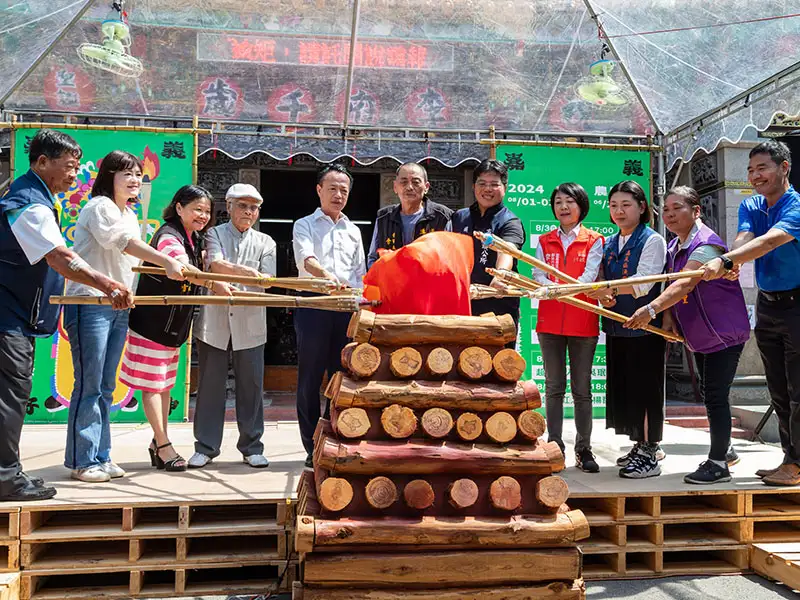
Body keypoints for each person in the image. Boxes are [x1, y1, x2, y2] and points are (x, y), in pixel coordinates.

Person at [0, 130, 133, 501]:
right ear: (42, 162)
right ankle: (6, 477)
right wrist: (106, 284)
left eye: (77, 167)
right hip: (7, 316)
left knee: (12, 394)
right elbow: (59, 258)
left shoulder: (36, 198)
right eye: (69, 167)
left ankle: (10, 472)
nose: (75, 175)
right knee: (11, 396)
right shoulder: (30, 203)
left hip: (15, 315)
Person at [63, 150, 187, 483]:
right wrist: (167, 261)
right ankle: (82, 460)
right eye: (126, 174)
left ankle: (101, 456)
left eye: (137, 175)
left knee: (105, 385)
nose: (134, 180)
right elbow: (125, 244)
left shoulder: (128, 213)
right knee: (88, 385)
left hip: (118, 305)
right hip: (90, 303)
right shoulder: (99, 207)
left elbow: (131, 252)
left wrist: (182, 269)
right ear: (109, 177)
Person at [625, 186, 750, 484]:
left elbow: (683, 284)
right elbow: (671, 282)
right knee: (711, 394)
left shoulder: (707, 245)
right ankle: (726, 450)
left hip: (723, 333)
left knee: (716, 396)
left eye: (676, 208)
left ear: (696, 211)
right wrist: (668, 318)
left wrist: (651, 310)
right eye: (665, 210)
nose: (668, 215)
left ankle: (719, 463)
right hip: (700, 334)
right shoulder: (674, 246)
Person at [701, 140, 800, 486]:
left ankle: (795, 464)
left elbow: (772, 240)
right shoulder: (752, 204)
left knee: (798, 388)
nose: (755, 176)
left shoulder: (796, 206)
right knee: (779, 388)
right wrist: (733, 258)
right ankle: (790, 459)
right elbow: (746, 237)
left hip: (798, 305)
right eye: (751, 169)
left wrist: (728, 260)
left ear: (784, 168)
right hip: (769, 304)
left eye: (763, 168)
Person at [121, 185, 217, 472]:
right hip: (153, 323)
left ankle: (158, 442)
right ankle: (164, 445)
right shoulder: (168, 235)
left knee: (164, 385)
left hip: (173, 325)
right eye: (197, 209)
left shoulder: (195, 237)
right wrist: (215, 283)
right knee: (153, 385)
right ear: (179, 208)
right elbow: (183, 268)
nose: (203, 215)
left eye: (207, 211)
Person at [189, 183, 276, 469]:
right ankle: (205, 446)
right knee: (210, 386)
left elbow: (268, 279)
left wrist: (244, 275)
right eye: (242, 205)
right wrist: (249, 274)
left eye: (253, 207)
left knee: (251, 387)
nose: (248, 212)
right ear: (228, 207)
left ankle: (252, 446)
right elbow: (214, 265)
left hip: (250, 321)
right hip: (213, 321)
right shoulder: (213, 234)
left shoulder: (266, 242)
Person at [588, 180, 668, 479]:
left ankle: (650, 450)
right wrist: (603, 293)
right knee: (626, 390)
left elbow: (644, 282)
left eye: (626, 205)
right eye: (613, 206)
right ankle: (640, 444)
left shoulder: (652, 240)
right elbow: (600, 279)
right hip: (617, 326)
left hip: (646, 328)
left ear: (642, 207)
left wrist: (608, 289)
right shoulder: (609, 242)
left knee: (646, 390)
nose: (619, 211)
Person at [293, 164, 366, 468]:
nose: (338, 195)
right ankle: (311, 444)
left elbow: (360, 272)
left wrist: (362, 303)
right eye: (332, 188)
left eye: (344, 190)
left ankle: (335, 437)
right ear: (319, 190)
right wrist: (328, 278)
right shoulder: (304, 224)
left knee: (341, 376)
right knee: (310, 377)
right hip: (314, 304)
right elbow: (306, 259)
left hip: (345, 307)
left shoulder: (353, 229)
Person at [533, 183, 603, 473]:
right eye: (558, 201)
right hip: (549, 322)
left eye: (569, 201)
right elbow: (538, 275)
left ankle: (584, 449)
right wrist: (554, 289)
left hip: (583, 322)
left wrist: (557, 289)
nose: (563, 207)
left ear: (581, 206)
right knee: (553, 387)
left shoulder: (594, 240)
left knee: (582, 389)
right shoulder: (544, 240)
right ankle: (555, 444)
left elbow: (588, 278)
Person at [452, 159, 526, 342]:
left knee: (498, 365)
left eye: (494, 184)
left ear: (505, 187)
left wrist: (500, 276)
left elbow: (507, 251)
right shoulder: (459, 218)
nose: (487, 189)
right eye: (482, 183)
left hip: (498, 305)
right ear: (473, 186)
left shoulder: (510, 222)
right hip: (463, 304)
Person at [367, 163, 452, 268]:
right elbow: (373, 258)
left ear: (426, 187)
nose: (409, 187)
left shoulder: (442, 217)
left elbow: (450, 259)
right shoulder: (383, 217)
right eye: (404, 182)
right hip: (392, 282)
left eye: (416, 182)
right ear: (395, 187)